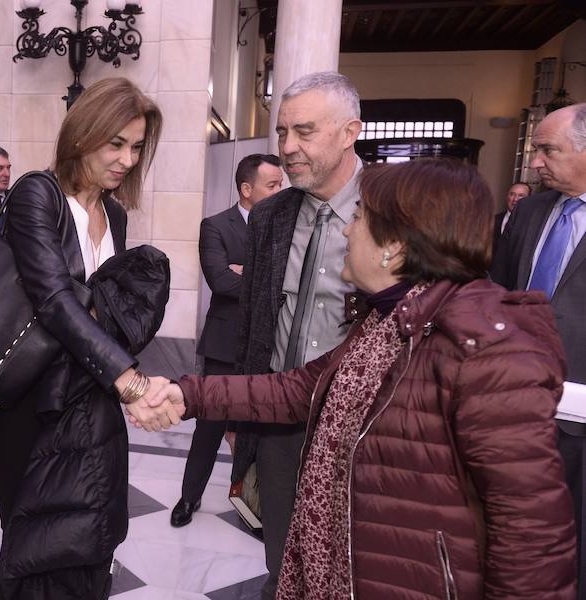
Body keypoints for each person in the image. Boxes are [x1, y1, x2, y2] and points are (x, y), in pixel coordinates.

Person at [148, 158, 578, 599]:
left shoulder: (484, 351)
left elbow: (532, 540)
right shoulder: (389, 318)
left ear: (394, 244)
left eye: (357, 218)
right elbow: (299, 390)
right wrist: (187, 394)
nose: (347, 231)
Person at [0, 77, 167, 600]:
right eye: (116, 143)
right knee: (32, 549)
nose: (127, 160)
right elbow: (54, 300)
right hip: (29, 404)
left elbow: (109, 310)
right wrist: (129, 381)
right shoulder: (37, 194)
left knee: (87, 537)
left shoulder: (115, 213)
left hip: (88, 399)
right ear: (83, 134)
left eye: (136, 147)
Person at [234, 71, 363, 599]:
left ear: (350, 132)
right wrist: (243, 412)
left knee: (348, 565)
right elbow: (252, 323)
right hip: (278, 420)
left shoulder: (393, 210)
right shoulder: (269, 216)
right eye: (283, 132)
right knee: (281, 557)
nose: (287, 147)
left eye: (305, 132)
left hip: (356, 428)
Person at [491, 102, 586, 600]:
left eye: (549, 150)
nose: (536, 162)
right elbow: (499, 291)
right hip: (515, 402)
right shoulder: (529, 212)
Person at [171, 153, 282, 528]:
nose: (279, 191)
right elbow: (219, 281)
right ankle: (189, 497)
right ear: (247, 189)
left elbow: (287, 283)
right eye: (272, 185)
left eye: (280, 184)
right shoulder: (215, 225)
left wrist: (245, 271)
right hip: (224, 342)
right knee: (209, 425)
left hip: (267, 343)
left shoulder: (286, 227)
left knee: (258, 428)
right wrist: (264, 279)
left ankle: (254, 505)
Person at [492, 181, 531, 251]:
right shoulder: (493, 220)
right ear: (507, 196)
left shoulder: (532, 223)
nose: (515, 199)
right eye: (512, 194)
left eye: (521, 195)